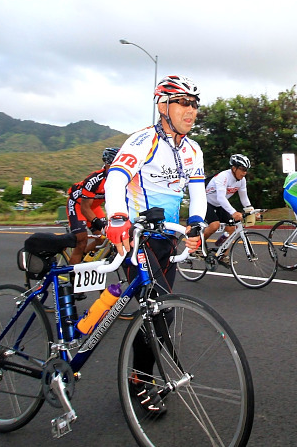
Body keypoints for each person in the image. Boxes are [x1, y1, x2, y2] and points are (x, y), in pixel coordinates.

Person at [104, 75, 207, 414]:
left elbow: (197, 193)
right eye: (183, 102)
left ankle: (140, 374)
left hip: (167, 241)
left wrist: (195, 224)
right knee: (157, 314)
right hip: (138, 238)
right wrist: (117, 216)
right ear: (163, 106)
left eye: (194, 104)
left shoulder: (192, 150)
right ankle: (140, 381)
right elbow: (116, 179)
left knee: (161, 313)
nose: (191, 110)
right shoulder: (143, 141)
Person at [66, 147, 120, 266]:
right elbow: (85, 208)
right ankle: (73, 276)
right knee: (81, 240)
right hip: (78, 205)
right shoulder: (95, 179)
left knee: (101, 239)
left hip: (94, 207)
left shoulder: (121, 180)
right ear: (107, 164)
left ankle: (83, 261)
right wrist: (98, 223)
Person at [201, 154, 254, 264]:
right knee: (214, 225)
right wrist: (233, 212)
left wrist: (252, 211)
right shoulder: (223, 177)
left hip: (220, 204)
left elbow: (244, 198)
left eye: (246, 170)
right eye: (242, 169)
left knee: (231, 228)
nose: (244, 173)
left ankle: (222, 254)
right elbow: (221, 197)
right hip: (206, 202)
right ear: (234, 168)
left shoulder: (242, 180)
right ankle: (198, 244)